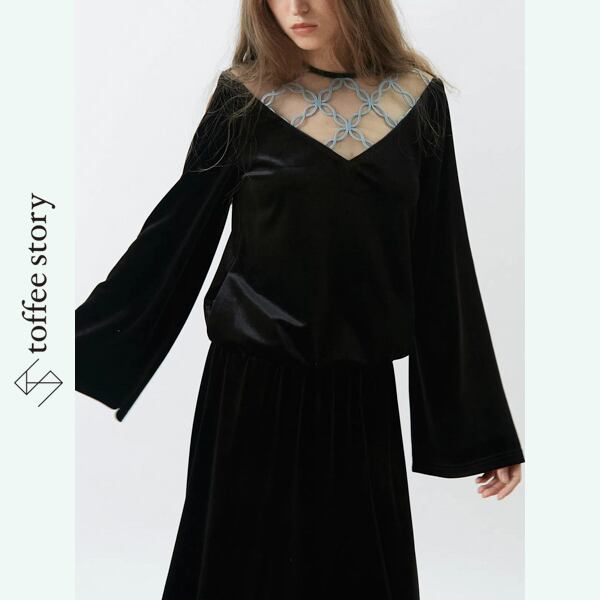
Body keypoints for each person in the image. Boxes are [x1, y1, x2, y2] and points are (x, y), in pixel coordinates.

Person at [75, 1, 525, 598]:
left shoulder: (419, 101)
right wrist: (58, 350)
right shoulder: (244, 98)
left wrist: (484, 430)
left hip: (360, 402)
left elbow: (443, 264)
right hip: (249, 397)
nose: (297, 7)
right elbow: (174, 239)